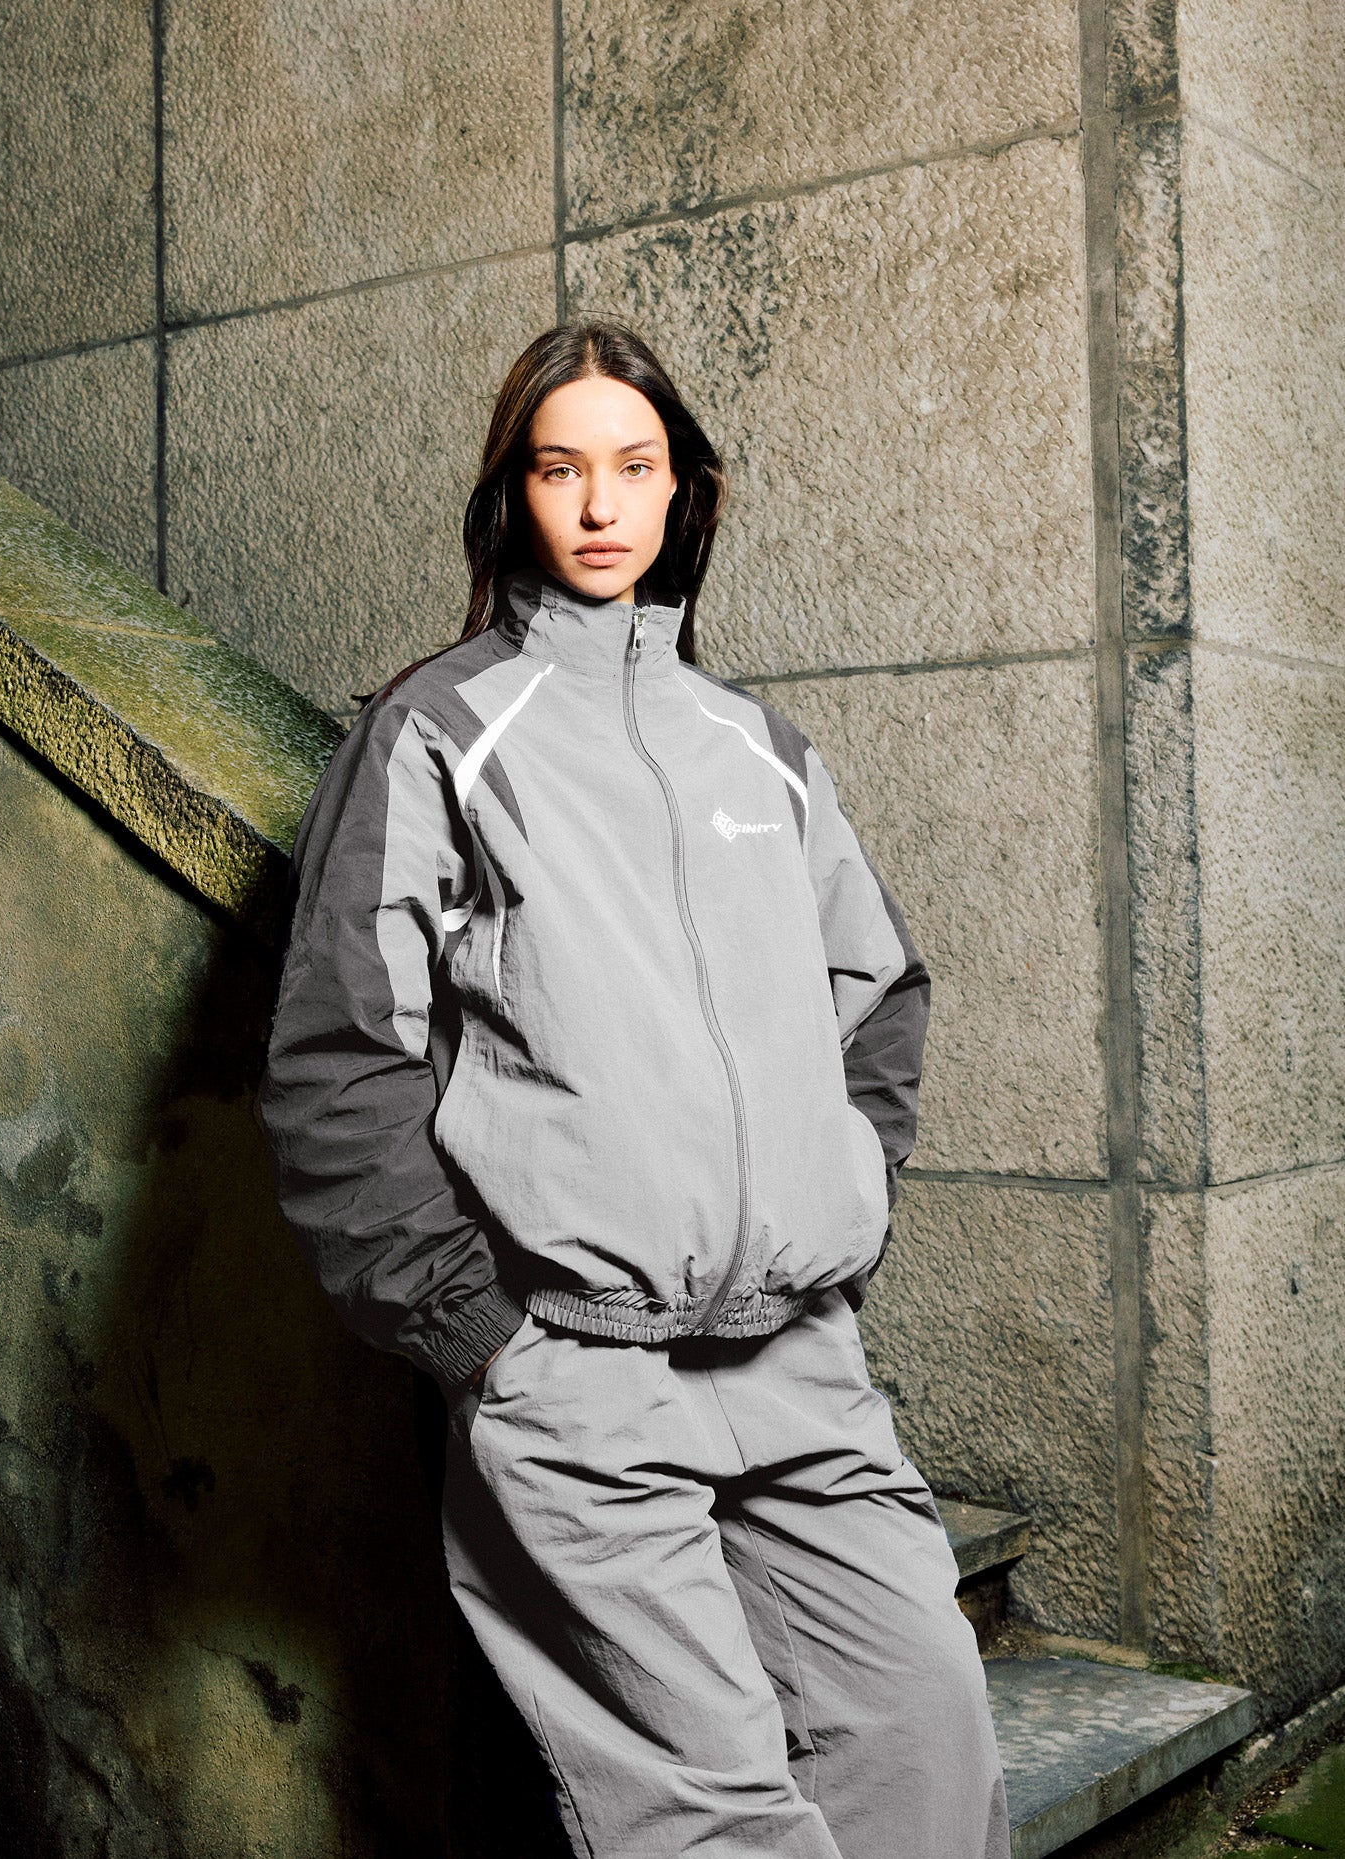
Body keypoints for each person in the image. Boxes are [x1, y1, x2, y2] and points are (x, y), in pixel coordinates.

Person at [257, 321, 1011, 1858]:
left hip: (799, 1366)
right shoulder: (439, 735)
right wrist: (483, 1337)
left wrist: (838, 1209)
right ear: (513, 497)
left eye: (634, 465)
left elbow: (878, 998)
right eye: (561, 468)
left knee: (931, 1753)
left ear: (684, 491)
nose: (601, 504)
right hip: (577, 1375)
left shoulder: (762, 752)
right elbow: (340, 1060)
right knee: (712, 1823)